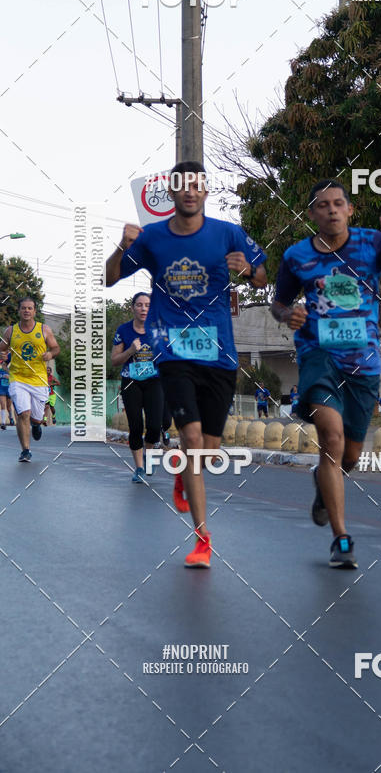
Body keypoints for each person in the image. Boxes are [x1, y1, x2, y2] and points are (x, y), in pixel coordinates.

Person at [105, 161, 267, 568]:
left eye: (197, 185)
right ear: (172, 193)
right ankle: (202, 539)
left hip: (219, 354)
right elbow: (109, 278)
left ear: (205, 191)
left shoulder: (227, 233)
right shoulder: (152, 238)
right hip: (172, 351)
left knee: (207, 451)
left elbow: (263, 277)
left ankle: (182, 474)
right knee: (192, 439)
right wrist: (122, 246)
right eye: (183, 186)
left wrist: (249, 271)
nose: (190, 192)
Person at [271, 180, 381, 568]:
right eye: (323, 205)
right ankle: (341, 539)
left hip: (363, 362)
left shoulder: (372, 244)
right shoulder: (297, 256)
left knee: (349, 457)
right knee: (331, 437)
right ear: (312, 214)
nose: (331, 210)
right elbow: (278, 304)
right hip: (318, 355)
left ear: (349, 210)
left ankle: (323, 484)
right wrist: (288, 314)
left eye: (338, 203)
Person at [111, 292, 165, 482]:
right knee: (135, 426)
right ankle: (139, 468)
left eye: (147, 305)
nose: (143, 309)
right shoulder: (124, 330)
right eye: (139, 305)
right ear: (132, 307)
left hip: (154, 381)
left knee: (154, 426)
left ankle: (148, 454)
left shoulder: (159, 329)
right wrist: (130, 350)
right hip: (131, 382)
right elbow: (114, 360)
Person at [0, 297, 60, 462]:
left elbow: (56, 347)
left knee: (36, 418)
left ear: (34, 311)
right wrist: (3, 355)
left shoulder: (44, 329)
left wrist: (50, 354)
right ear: (19, 311)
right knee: (23, 413)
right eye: (23, 308)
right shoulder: (10, 331)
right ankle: (25, 450)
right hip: (17, 378)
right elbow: (2, 349)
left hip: (39, 380)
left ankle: (36, 424)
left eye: (29, 308)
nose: (26, 310)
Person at [0, 359, 10, 430]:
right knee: (3, 405)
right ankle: (3, 423)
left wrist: (9, 377)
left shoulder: (9, 370)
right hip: (1, 389)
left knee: (8, 407)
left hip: (9, 389)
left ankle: (11, 416)